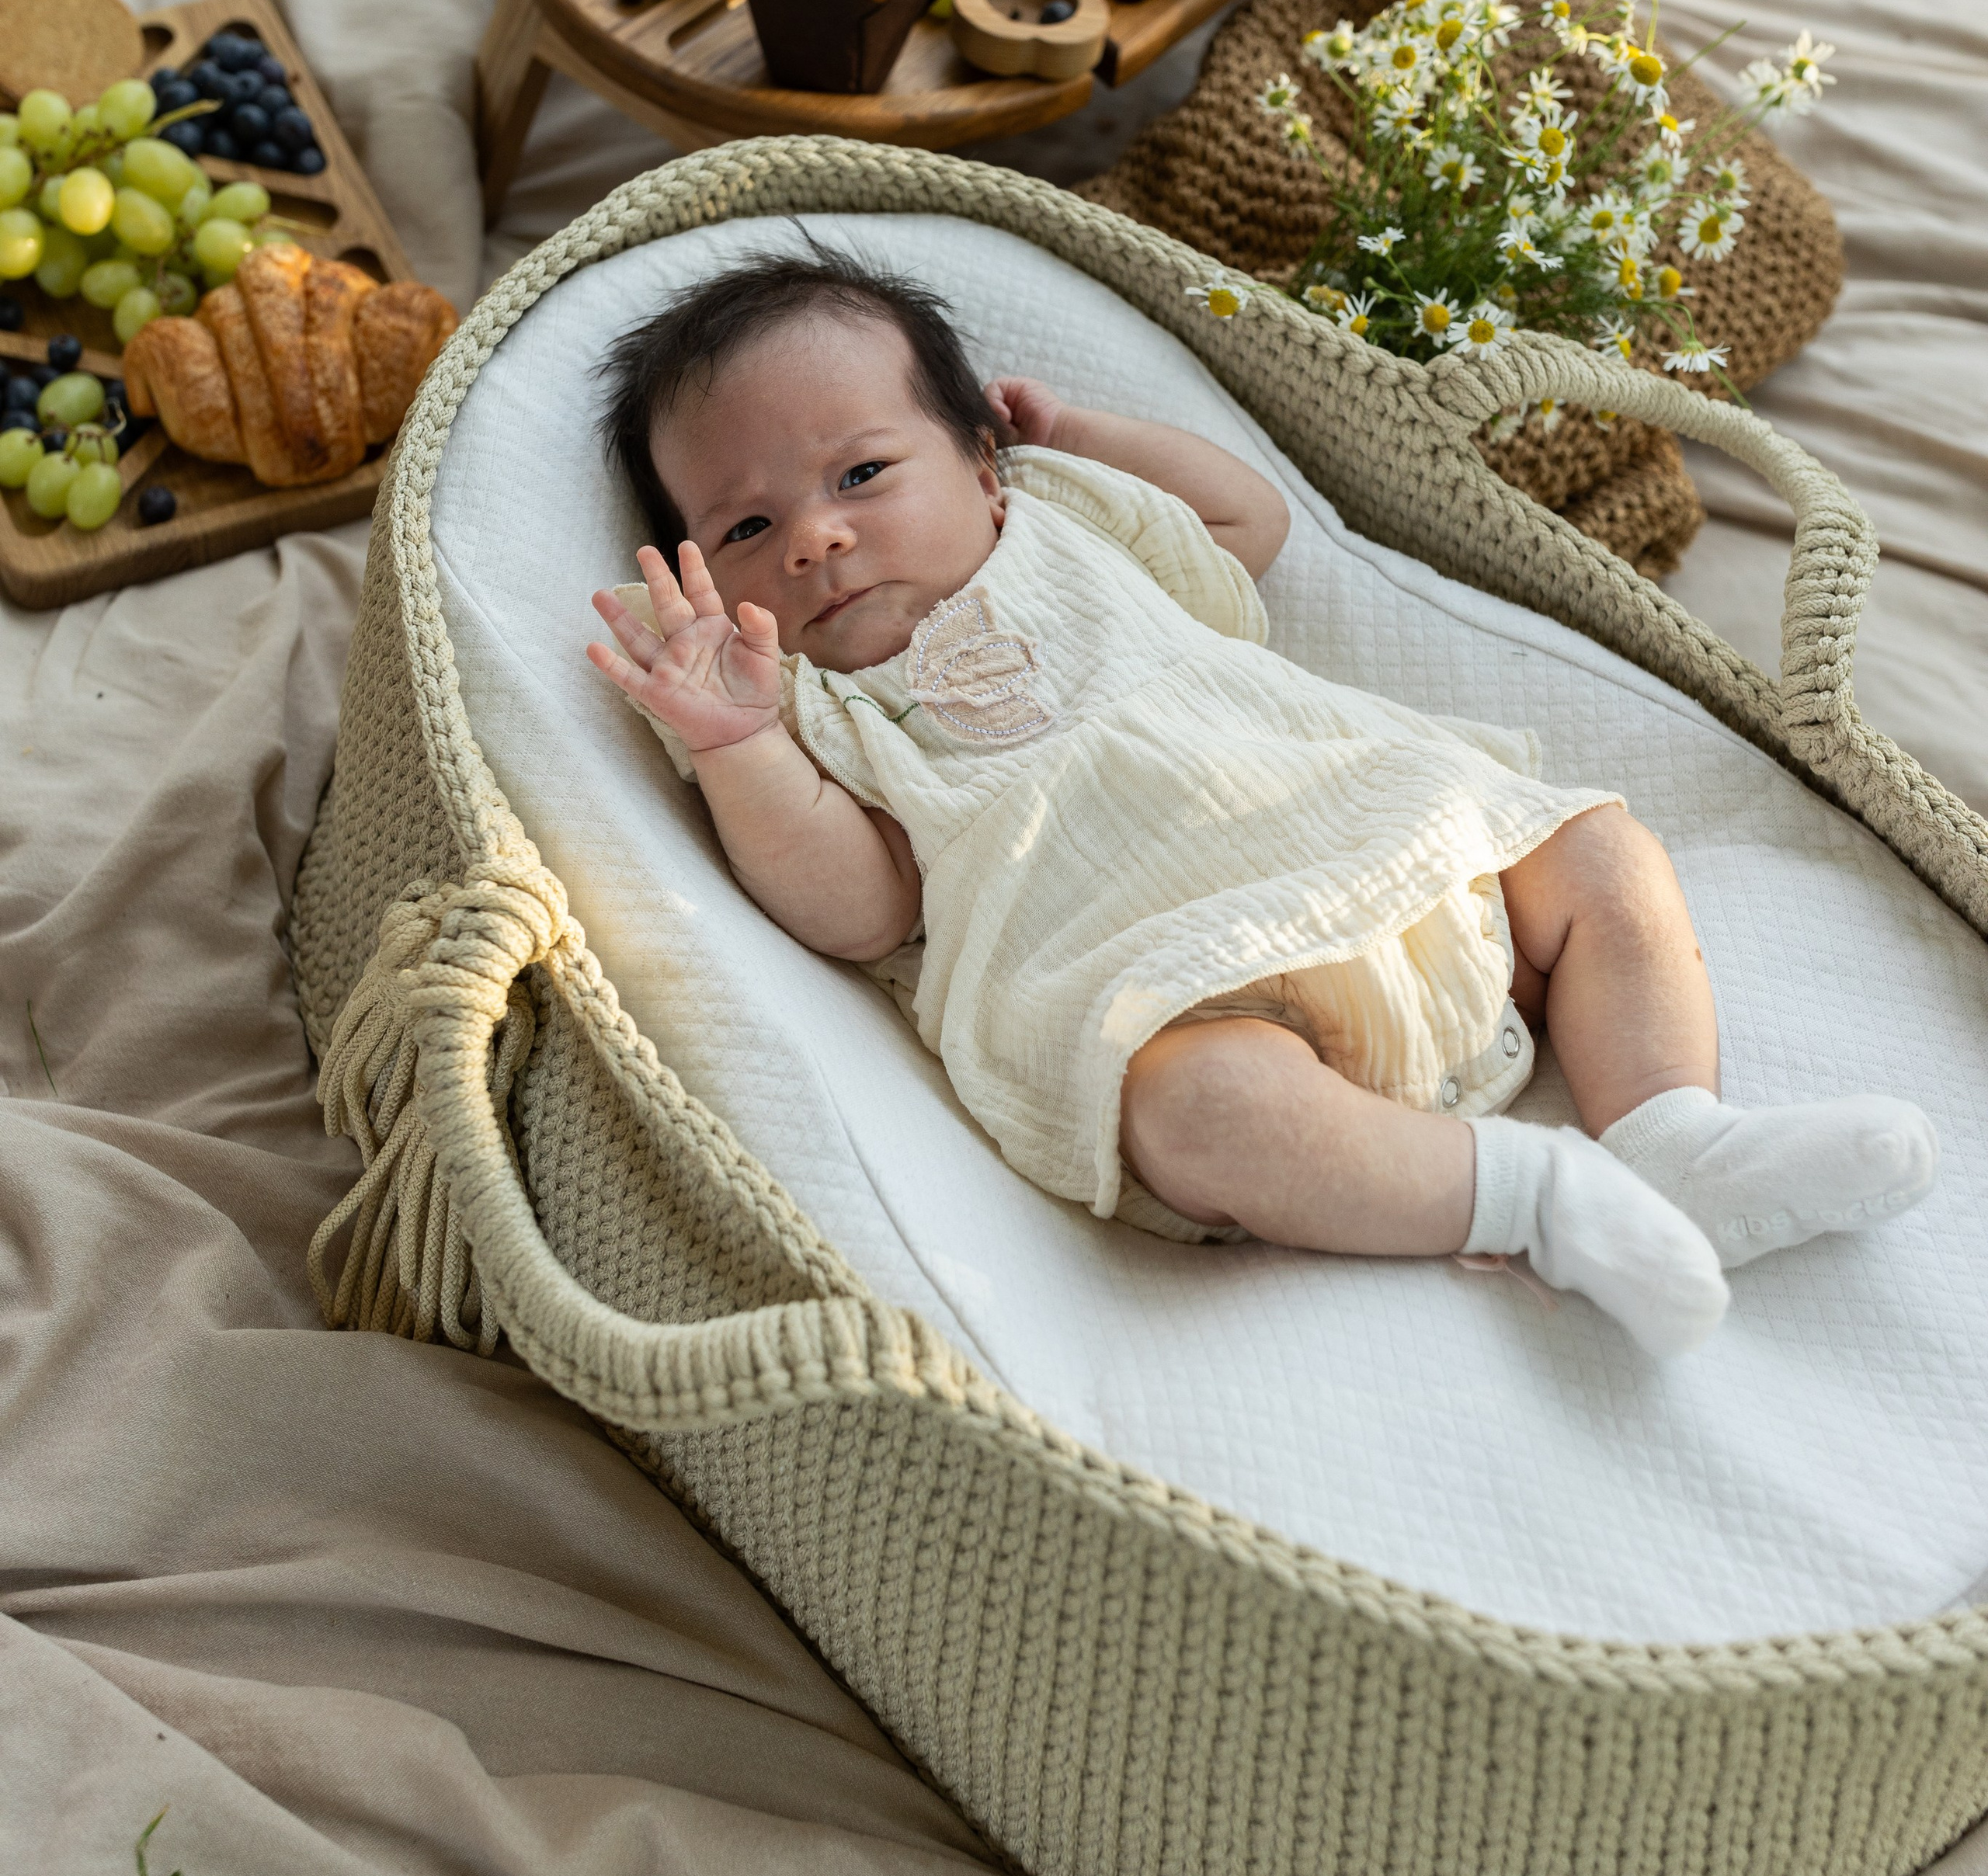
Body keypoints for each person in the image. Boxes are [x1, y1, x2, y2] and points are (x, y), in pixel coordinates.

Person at [589, 250, 1937, 1357]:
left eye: (862, 475)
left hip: (1384, 836)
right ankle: (1540, 1199)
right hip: (1168, 981)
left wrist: (1086, 435)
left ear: (986, 469)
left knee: (1592, 847)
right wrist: (737, 748)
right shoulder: (807, 700)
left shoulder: (1070, 520)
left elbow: (1249, 529)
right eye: (746, 530)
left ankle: (1672, 1134)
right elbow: (857, 904)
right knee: (1202, 1113)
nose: (816, 537)